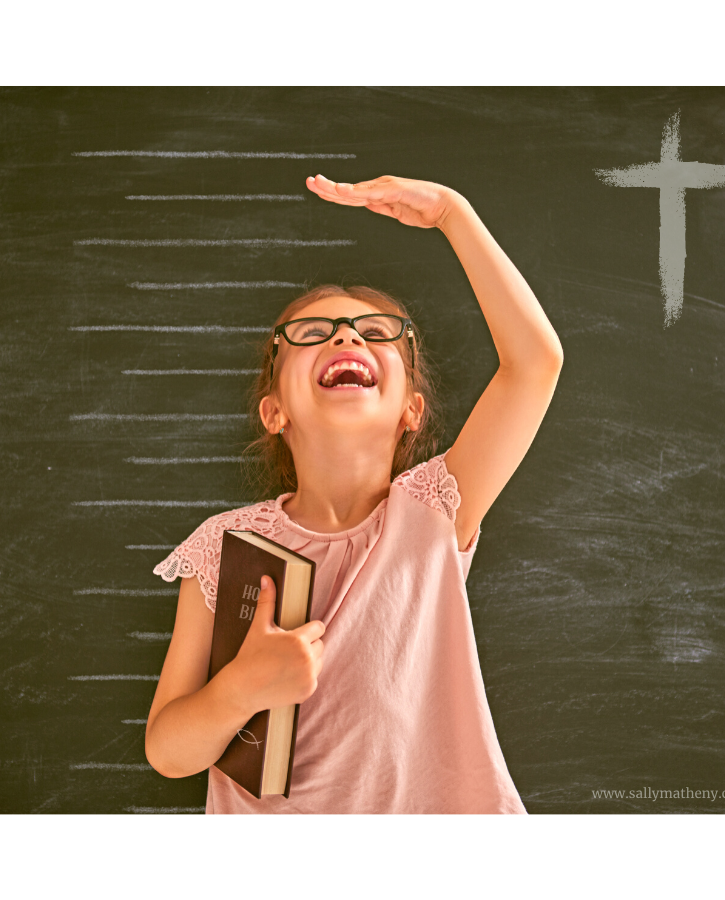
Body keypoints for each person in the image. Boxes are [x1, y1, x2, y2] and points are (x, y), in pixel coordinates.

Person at [146, 174, 563, 814]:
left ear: (412, 410)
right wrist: (241, 688)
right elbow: (168, 751)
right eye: (312, 334)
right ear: (274, 411)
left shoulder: (434, 510)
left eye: (375, 333)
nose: (346, 337)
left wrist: (454, 213)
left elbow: (535, 362)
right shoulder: (226, 545)